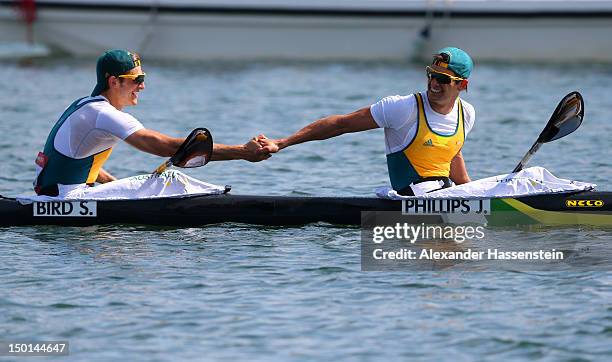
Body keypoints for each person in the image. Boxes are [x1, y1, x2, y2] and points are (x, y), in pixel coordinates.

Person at [34, 49, 277, 196]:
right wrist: (243, 152)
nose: (142, 86)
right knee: (170, 180)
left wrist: (122, 188)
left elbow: (82, 162)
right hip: (67, 199)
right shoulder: (103, 114)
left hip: (57, 195)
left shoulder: (84, 105)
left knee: (151, 184)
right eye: (136, 79)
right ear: (113, 82)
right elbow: (162, 146)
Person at [259, 47, 475, 195]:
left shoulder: (466, 114)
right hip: (409, 197)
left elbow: (451, 153)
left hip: (444, 195)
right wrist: (282, 142)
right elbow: (340, 124)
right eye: (431, 74)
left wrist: (476, 194)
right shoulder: (403, 108)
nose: (433, 82)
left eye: (443, 78)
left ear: (462, 85)